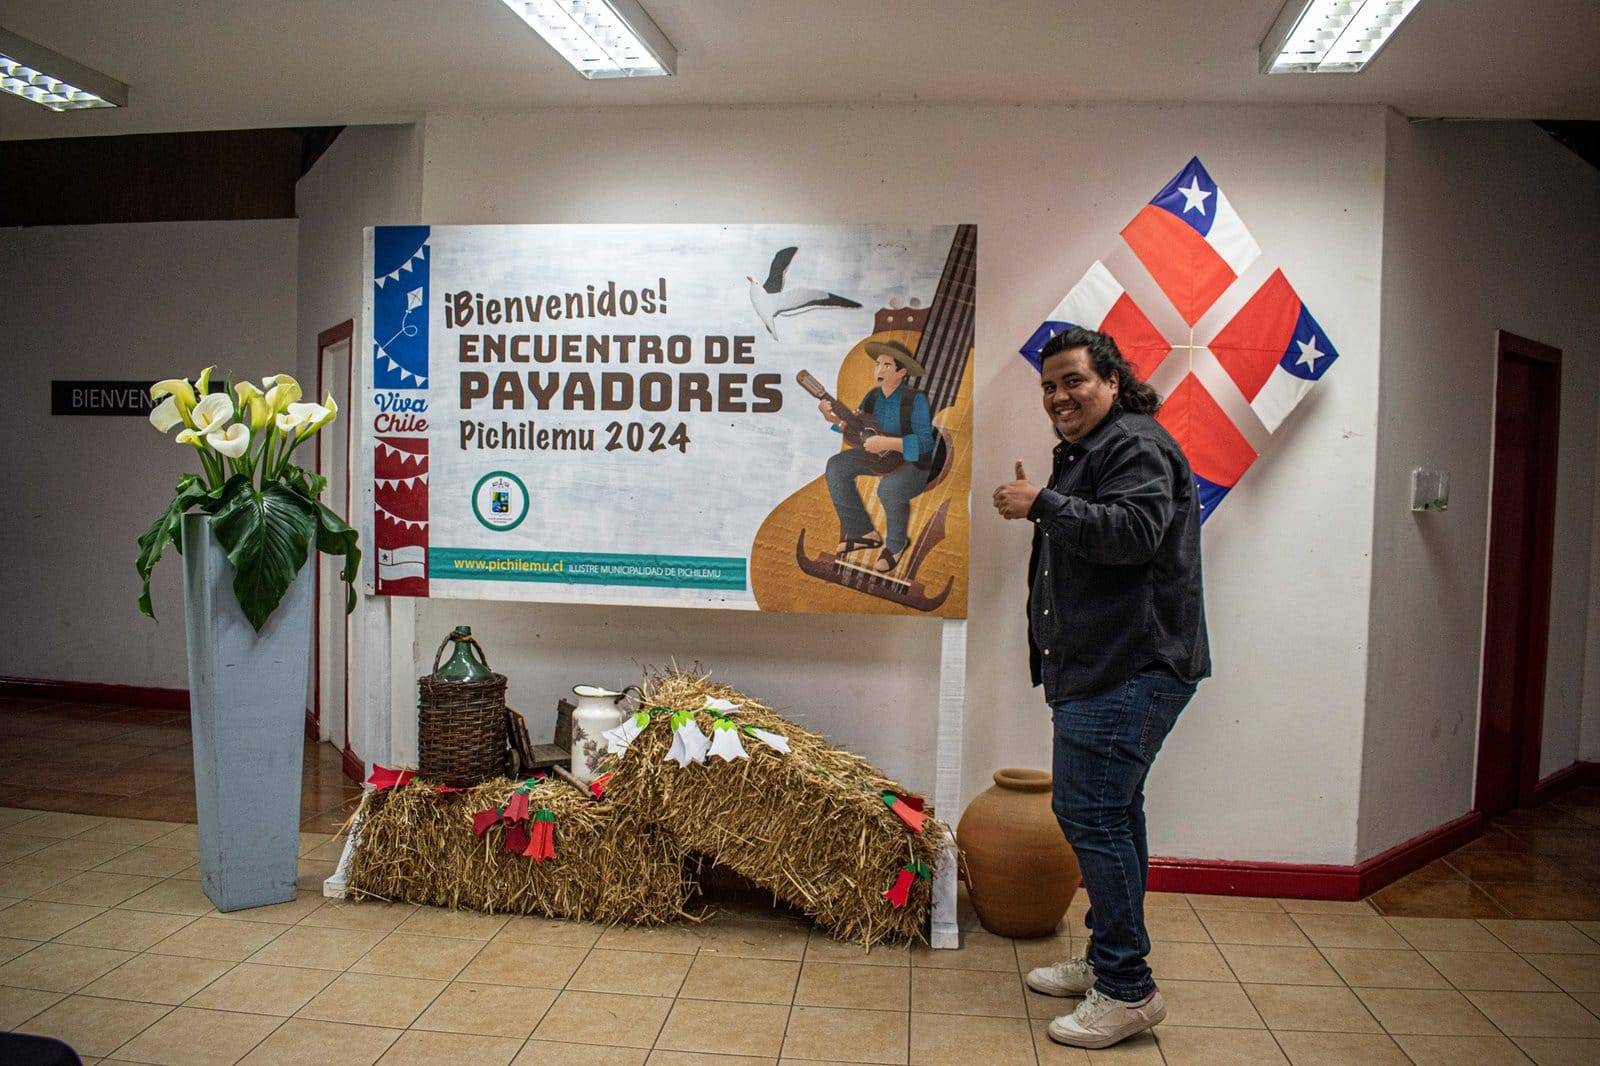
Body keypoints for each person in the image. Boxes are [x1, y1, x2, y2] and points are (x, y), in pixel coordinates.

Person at [992, 325, 1210, 1050]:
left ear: (1113, 381)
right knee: (1114, 815)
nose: (1059, 396)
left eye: (1074, 381)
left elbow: (1134, 533)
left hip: (1130, 667)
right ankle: (1109, 961)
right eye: (1049, 386)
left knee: (1090, 813)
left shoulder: (1135, 444)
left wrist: (1041, 504)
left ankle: (1127, 989)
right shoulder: (1096, 451)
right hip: (1101, 665)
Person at [821, 339, 935, 573]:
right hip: (880, 458)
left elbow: (926, 443)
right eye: (877, 364)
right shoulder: (873, 397)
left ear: (902, 372)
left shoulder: (916, 399)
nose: (879, 370)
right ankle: (862, 533)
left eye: (887, 365)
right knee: (836, 466)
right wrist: (833, 418)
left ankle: (895, 546)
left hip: (913, 463)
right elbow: (857, 430)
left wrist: (888, 442)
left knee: (889, 489)